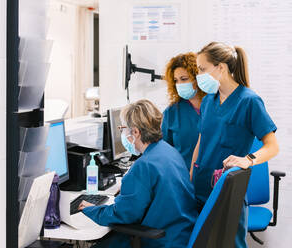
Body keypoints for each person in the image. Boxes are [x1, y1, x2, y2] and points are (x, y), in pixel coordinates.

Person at [190, 42, 279, 248]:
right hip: (201, 187)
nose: (199, 75)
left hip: (228, 190)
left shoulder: (249, 101)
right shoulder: (208, 102)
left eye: (202, 69)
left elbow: (272, 146)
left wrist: (248, 160)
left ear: (220, 67)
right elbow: (201, 142)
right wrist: (191, 175)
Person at [79, 99, 198, 248]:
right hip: (182, 234)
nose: (122, 133)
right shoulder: (169, 151)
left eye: (123, 128)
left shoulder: (144, 166)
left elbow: (124, 214)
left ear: (135, 132)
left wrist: (91, 209)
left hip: (161, 241)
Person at [162, 52, 206, 170]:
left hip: (215, 176)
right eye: (176, 80)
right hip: (183, 177)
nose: (179, 84)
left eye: (184, 79)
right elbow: (164, 152)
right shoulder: (171, 113)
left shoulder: (215, 106)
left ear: (198, 78)